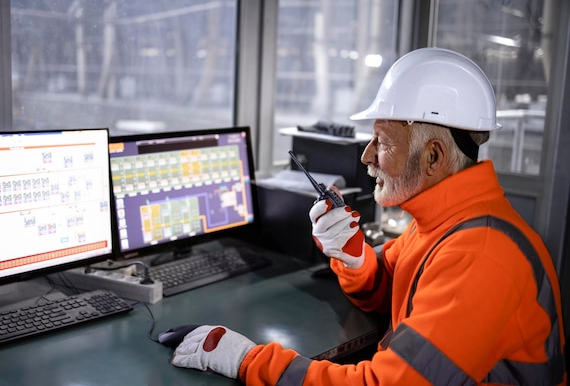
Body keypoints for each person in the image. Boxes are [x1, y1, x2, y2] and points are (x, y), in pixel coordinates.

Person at [169, 47, 567, 385]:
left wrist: (246, 359)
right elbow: (386, 292)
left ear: (433, 157)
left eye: (383, 141)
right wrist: (354, 256)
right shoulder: (447, 222)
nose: (366, 156)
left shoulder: (480, 255)